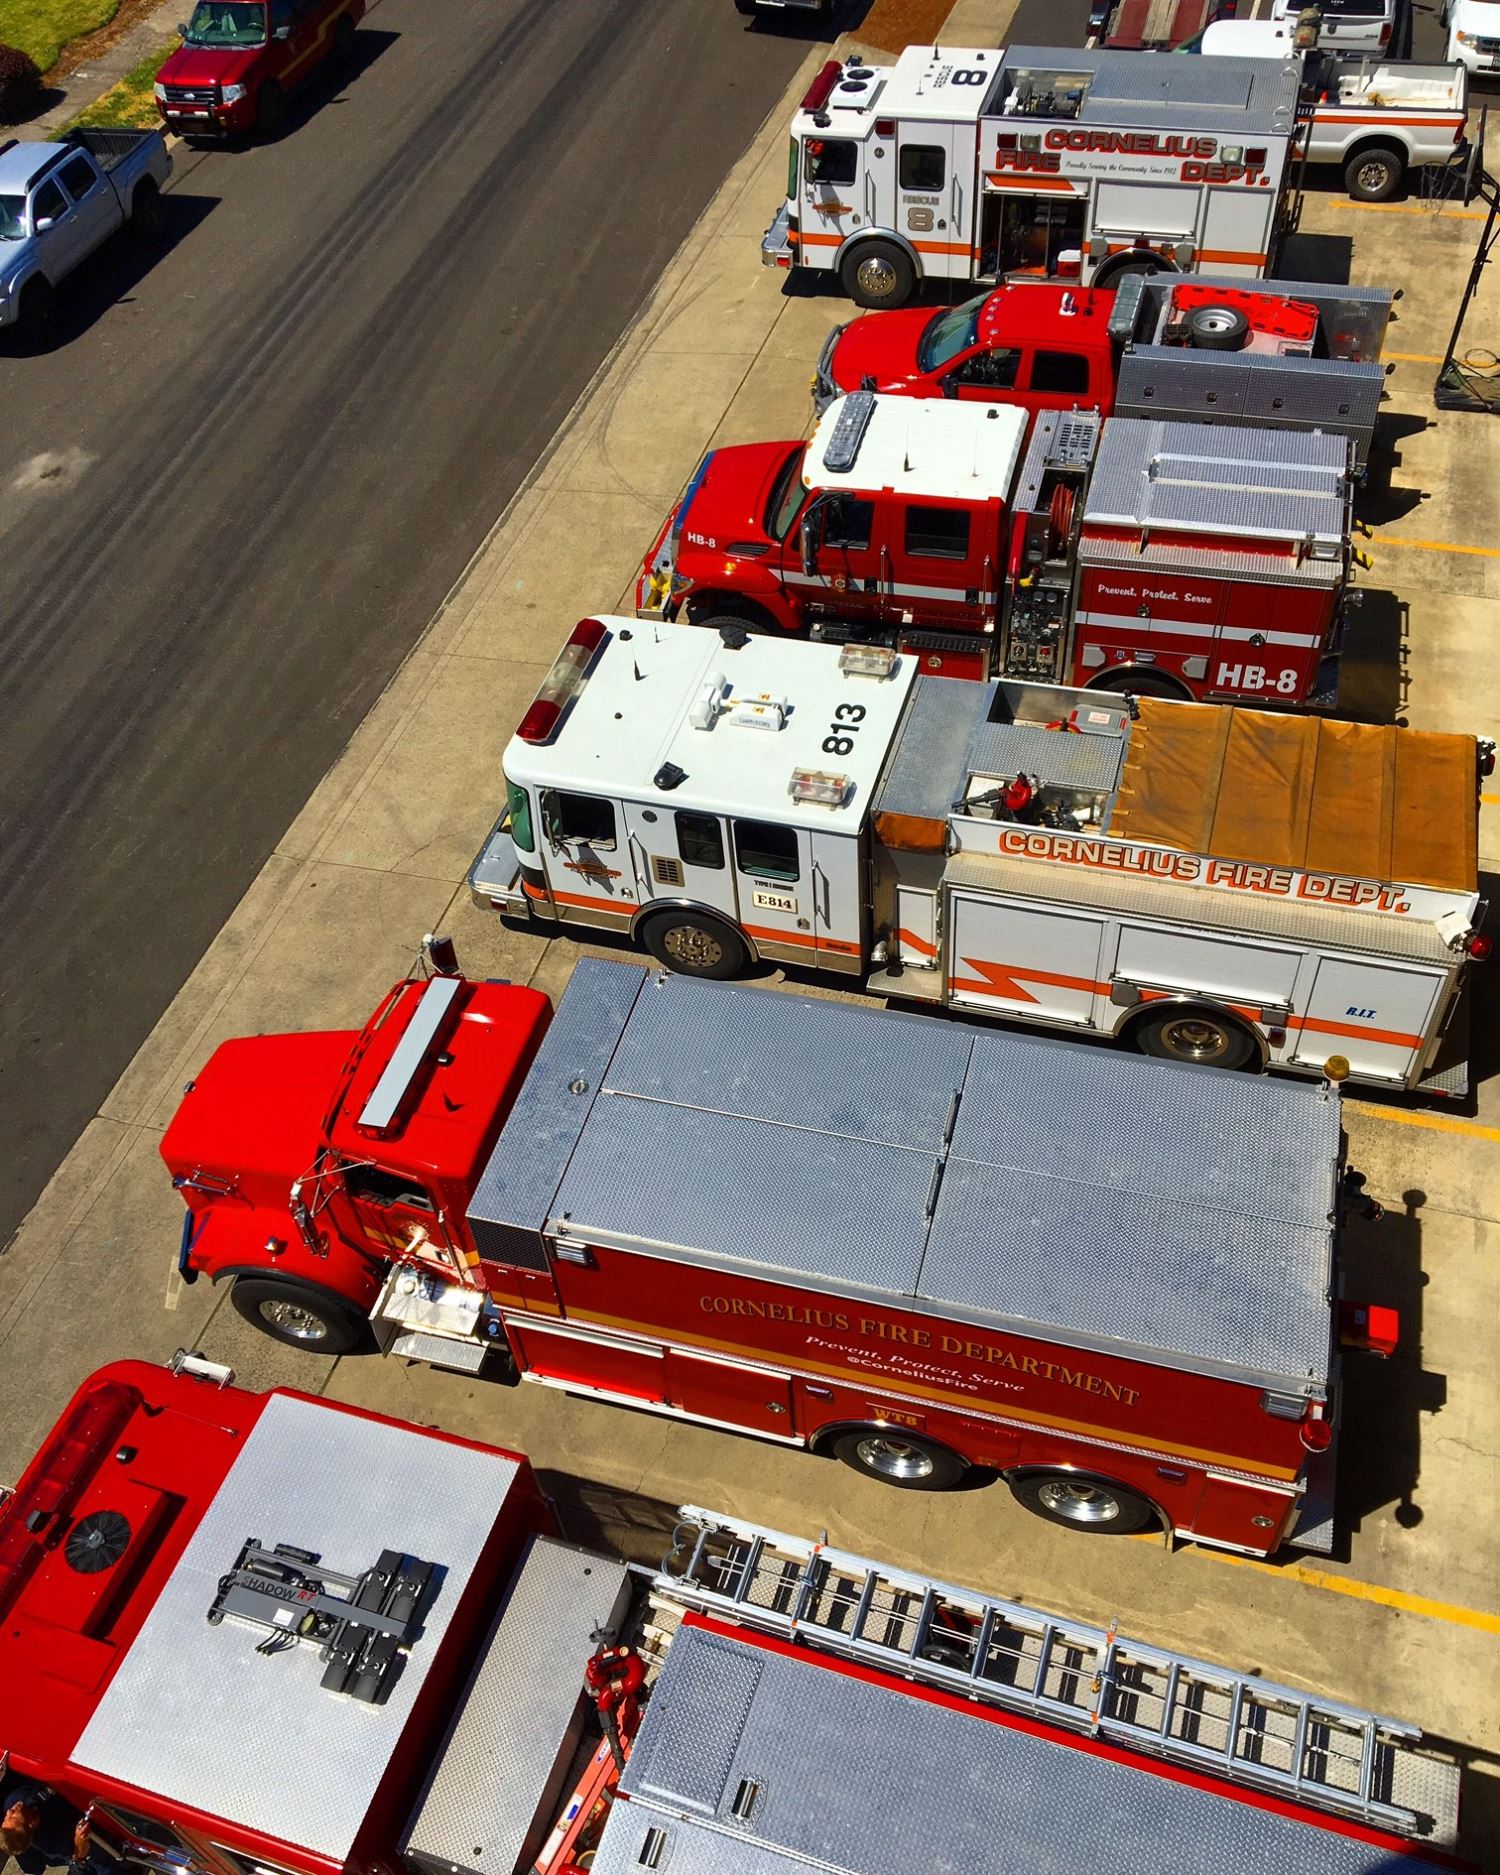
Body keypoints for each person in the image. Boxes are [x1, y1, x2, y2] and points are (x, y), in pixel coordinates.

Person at [0, 1783, 106, 1875]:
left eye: (6, 1818)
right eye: (13, 1817)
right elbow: (76, 1861)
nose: (9, 1812)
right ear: (31, 1823)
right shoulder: (55, 1842)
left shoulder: (13, 1801)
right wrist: (80, 1850)